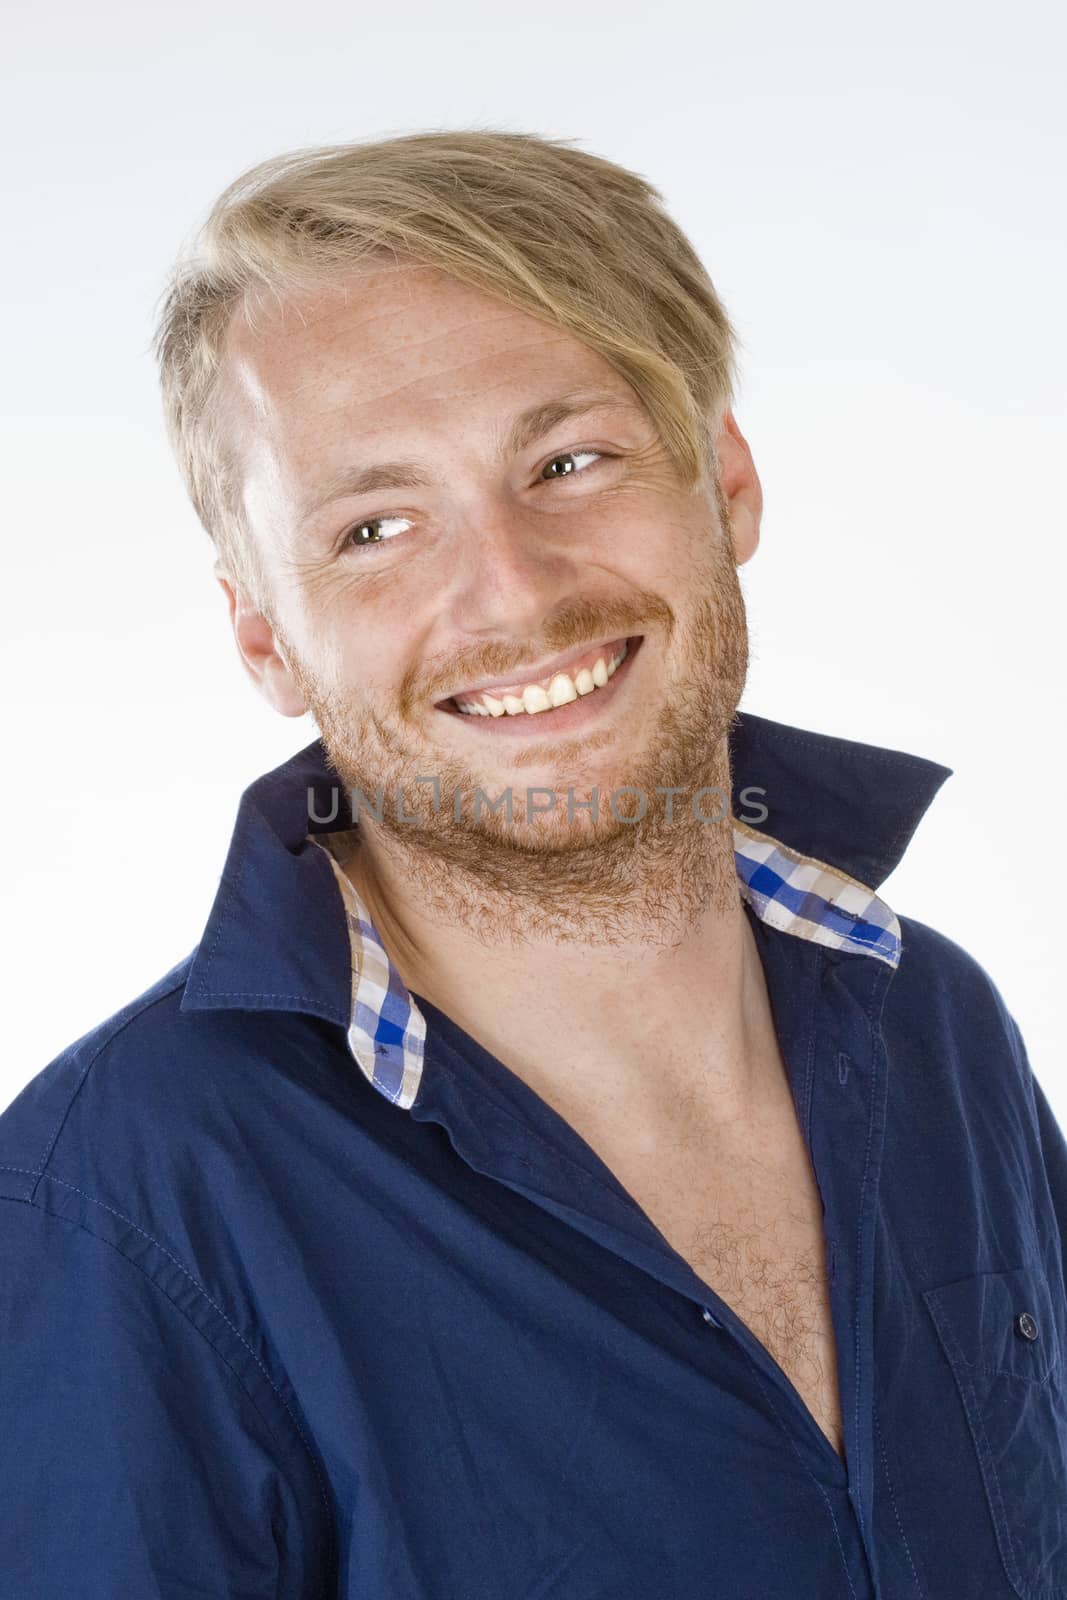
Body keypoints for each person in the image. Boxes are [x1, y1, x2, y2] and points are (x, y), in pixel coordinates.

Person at [2, 129, 1064, 1600]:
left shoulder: (940, 1029)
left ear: (727, 480)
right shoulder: (118, 1203)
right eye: (374, 527)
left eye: (567, 459)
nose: (509, 587)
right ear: (263, 636)